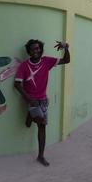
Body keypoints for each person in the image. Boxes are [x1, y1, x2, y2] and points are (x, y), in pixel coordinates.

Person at [14, 39, 70, 167]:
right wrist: (28, 99)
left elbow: (66, 60)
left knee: (39, 123)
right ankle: (41, 155)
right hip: (31, 100)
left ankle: (30, 117)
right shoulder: (24, 65)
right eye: (33, 49)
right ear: (29, 51)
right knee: (42, 123)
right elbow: (17, 84)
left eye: (38, 48)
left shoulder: (46, 61)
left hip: (43, 100)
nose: (36, 51)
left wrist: (66, 48)